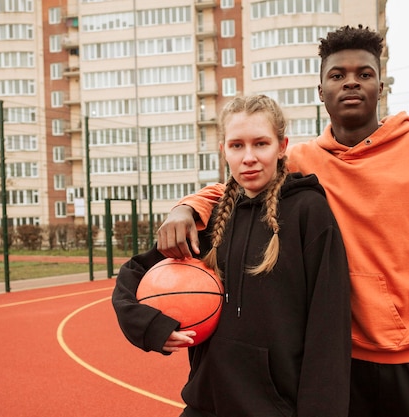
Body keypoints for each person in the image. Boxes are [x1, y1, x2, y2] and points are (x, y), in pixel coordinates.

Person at [157, 25, 409, 417]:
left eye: (364, 74)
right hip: (337, 364)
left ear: (380, 86)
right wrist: (185, 207)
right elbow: (236, 186)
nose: (351, 83)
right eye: (337, 75)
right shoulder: (301, 161)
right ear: (321, 91)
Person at [112, 95, 351, 417]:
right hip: (206, 403)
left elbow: (328, 331)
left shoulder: (309, 212)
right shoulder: (209, 218)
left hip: (277, 409)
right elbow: (134, 272)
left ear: (282, 146)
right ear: (223, 149)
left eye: (261, 144)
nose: (249, 157)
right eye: (237, 146)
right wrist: (149, 326)